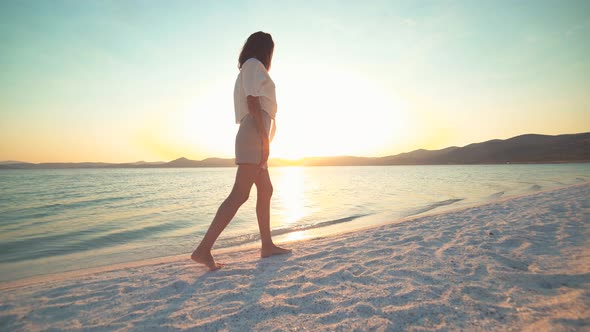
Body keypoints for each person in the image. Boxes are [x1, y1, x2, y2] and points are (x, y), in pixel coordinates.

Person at [191, 31, 291, 271]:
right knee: (240, 194)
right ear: (265, 49)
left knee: (265, 189)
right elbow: (253, 101)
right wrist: (263, 140)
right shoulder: (253, 64)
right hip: (254, 133)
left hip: (255, 131)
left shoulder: (252, 67)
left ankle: (266, 245)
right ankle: (203, 250)